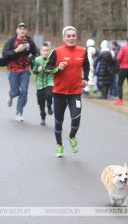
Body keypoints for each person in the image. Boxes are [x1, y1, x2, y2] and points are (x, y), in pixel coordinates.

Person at [44, 26, 90, 157]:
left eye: (73, 36)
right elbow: (47, 69)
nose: (71, 38)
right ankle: (59, 145)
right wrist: (57, 68)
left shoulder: (82, 51)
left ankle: (72, 136)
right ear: (64, 38)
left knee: (76, 118)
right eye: (68, 36)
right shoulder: (56, 52)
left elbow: (86, 66)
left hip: (75, 92)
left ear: (76, 37)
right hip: (59, 92)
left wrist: (85, 78)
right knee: (59, 121)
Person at [3, 22, 37, 121]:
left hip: (25, 70)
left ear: (26, 31)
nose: (22, 30)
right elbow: (4, 54)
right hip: (13, 69)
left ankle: (19, 112)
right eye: (20, 29)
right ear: (17, 30)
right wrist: (16, 51)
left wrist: (32, 58)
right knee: (15, 92)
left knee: (24, 91)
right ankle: (11, 95)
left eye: (24, 29)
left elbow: (36, 53)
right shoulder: (11, 41)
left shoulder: (30, 42)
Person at [32, 42, 55, 125]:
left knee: (49, 94)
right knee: (41, 103)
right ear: (41, 52)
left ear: (49, 51)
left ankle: (49, 106)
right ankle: (43, 117)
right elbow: (33, 71)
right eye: (44, 50)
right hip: (40, 83)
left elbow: (56, 69)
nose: (45, 52)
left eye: (47, 50)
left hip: (50, 81)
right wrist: (37, 70)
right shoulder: (37, 60)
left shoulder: (52, 59)